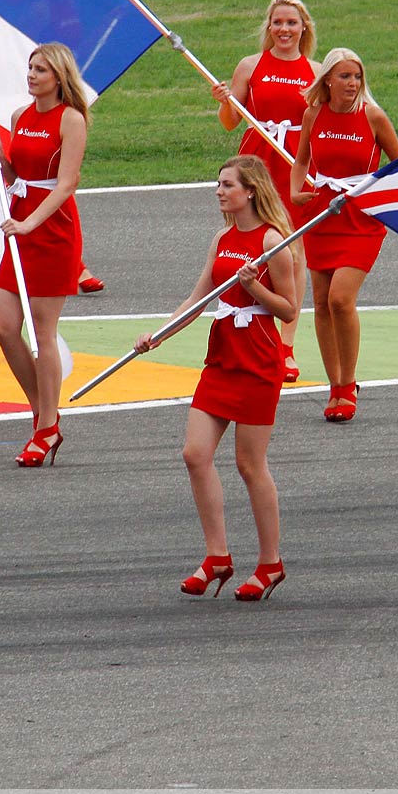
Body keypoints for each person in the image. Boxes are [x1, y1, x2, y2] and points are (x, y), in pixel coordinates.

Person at [136, 155, 300, 602]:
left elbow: (289, 310)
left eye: (227, 184)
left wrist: (255, 288)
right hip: (223, 353)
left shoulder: (273, 242)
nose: (219, 191)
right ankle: (217, 556)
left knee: (250, 465)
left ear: (250, 191)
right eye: (219, 184)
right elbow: (197, 298)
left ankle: (270, 564)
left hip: (259, 358)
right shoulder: (222, 238)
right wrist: (160, 335)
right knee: (194, 453)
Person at [0, 43, 90, 467]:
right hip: (20, 227)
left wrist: (30, 224)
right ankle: (44, 411)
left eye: (41, 69)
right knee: (4, 326)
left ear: (58, 77)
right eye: (30, 67)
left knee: (43, 334)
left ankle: (45, 427)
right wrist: (1, 157)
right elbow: (19, 175)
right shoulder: (19, 117)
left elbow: (65, 184)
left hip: (52, 231)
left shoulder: (71, 119)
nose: (32, 75)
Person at [289, 47, 398, 423]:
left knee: (340, 299)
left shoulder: (373, 116)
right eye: (344, 77)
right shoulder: (313, 114)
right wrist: (294, 190)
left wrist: (382, 200)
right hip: (322, 213)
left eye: (356, 77)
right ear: (327, 82)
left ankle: (348, 381)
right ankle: (336, 386)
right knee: (321, 303)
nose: (352, 84)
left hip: (360, 219)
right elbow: (302, 158)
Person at [211, 0, 320, 383]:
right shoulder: (251, 66)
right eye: (278, 23)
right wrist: (225, 102)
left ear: (303, 27)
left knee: (293, 250)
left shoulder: (316, 70)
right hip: (257, 163)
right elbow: (229, 121)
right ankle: (250, 329)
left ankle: (286, 345)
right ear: (268, 26)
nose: (285, 30)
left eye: (292, 23)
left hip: (295, 164)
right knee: (253, 240)